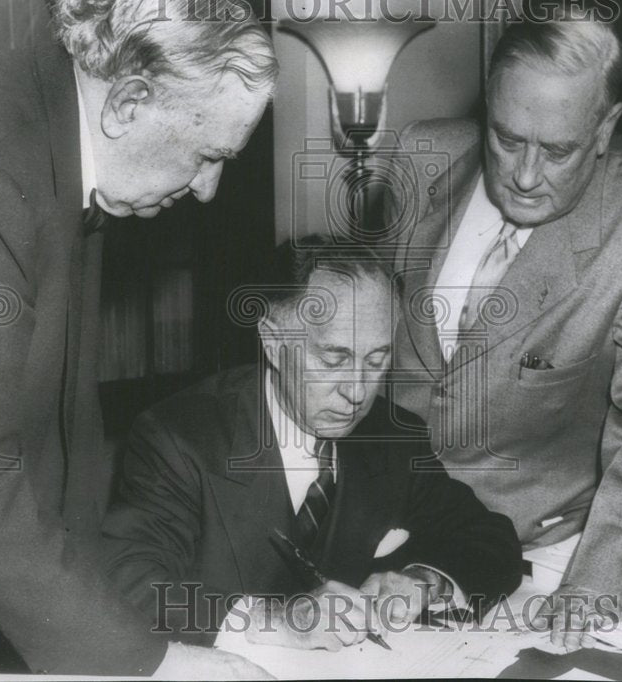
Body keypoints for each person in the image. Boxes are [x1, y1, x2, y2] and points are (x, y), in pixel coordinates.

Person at [0, 0, 275, 677]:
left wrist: (183, 630)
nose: (207, 188)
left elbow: (67, 453)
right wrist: (154, 665)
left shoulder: (64, 147)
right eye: (206, 154)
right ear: (128, 103)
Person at [387, 15, 622, 649]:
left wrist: (590, 594)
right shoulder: (419, 154)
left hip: (527, 553)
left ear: (605, 129)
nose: (526, 175)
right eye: (507, 138)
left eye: (558, 150)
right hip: (370, 526)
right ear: (487, 107)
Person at [101, 237, 522, 650]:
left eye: (376, 362)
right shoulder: (179, 437)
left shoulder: (394, 437)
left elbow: (490, 538)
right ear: (272, 340)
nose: (357, 392)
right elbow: (128, 581)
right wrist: (274, 621)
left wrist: (423, 582)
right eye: (333, 360)